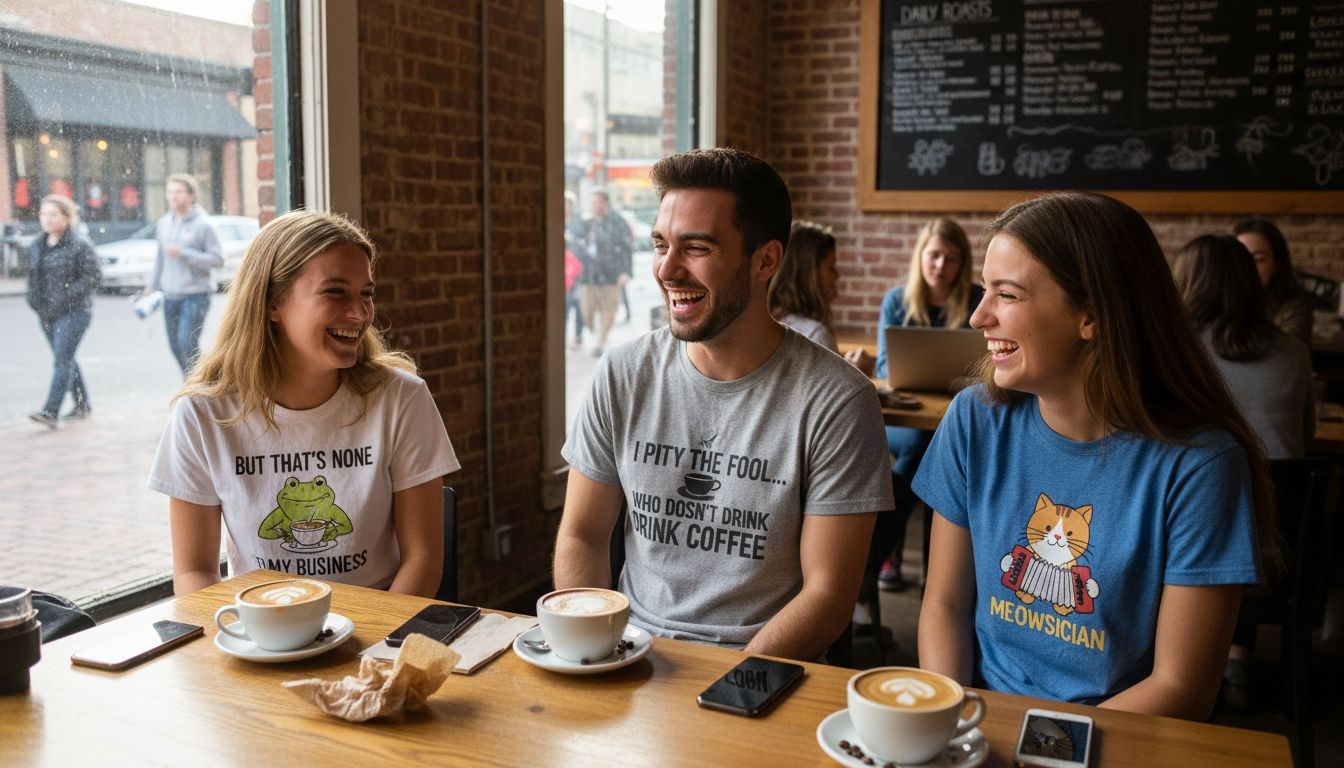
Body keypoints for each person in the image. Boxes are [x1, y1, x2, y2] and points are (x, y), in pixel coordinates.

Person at [915, 192, 1271, 720]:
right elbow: (945, 605)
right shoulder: (974, 418)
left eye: (1006, 294)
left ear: (1091, 314)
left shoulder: (1200, 464)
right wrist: (948, 723)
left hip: (1116, 737)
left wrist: (1038, 748)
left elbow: (1183, 688)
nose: (977, 317)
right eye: (984, 291)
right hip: (979, 721)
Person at [554, 148, 893, 662]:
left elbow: (828, 596)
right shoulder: (623, 373)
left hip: (764, 665)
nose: (667, 269)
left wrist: (734, 683)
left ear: (766, 260)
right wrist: (591, 647)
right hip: (630, 651)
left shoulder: (838, 400)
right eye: (660, 244)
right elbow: (582, 533)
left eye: (696, 247)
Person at [147, 210, 460, 597]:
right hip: (260, 626)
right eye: (335, 292)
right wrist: (241, 637)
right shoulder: (201, 414)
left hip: (375, 630)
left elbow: (423, 560)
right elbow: (194, 572)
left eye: (366, 294)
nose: (360, 313)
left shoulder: (401, 398)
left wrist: (372, 648)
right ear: (272, 303)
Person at [1173, 233, 1315, 711]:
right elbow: (1306, 436)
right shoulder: (1295, 352)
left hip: (1191, 558)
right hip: (1281, 554)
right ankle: (1236, 654)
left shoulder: (1174, 357)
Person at [871, 218, 985, 592]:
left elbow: (983, 367)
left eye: (951, 259)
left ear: (962, 263)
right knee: (922, 445)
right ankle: (931, 567)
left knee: (930, 447)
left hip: (955, 416)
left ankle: (883, 552)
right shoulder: (897, 300)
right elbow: (887, 367)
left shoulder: (975, 300)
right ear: (921, 256)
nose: (940, 266)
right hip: (907, 420)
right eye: (934, 255)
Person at [1174, 234, 1315, 460]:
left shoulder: (1174, 351)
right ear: (1250, 281)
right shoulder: (1296, 350)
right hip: (1285, 491)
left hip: (1206, 489)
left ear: (1186, 282)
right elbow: (1306, 437)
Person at [25, 194, 100, 428]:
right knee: (65, 358)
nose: (47, 219)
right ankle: (82, 404)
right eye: (44, 214)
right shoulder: (37, 245)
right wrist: (35, 302)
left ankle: (50, 411)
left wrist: (65, 297)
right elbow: (33, 278)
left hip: (75, 312)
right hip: (47, 313)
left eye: (53, 214)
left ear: (67, 218)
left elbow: (93, 277)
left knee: (62, 359)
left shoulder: (80, 244)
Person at [149, 173, 223, 374]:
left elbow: (217, 260)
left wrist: (184, 253)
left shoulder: (204, 225)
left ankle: (197, 389)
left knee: (187, 344)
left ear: (191, 195)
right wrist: (152, 286)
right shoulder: (164, 223)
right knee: (175, 347)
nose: (173, 196)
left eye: (179, 192)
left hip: (196, 295)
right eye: (170, 192)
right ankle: (198, 384)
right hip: (170, 295)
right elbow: (160, 257)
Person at [1234, 218, 1313, 344]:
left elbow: (1288, 352)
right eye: (1240, 258)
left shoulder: (1293, 307)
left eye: (1258, 259)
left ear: (1277, 264)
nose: (1248, 266)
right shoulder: (1220, 301)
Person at [768, 220, 842, 352]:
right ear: (810, 274)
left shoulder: (766, 325)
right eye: (831, 267)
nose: (837, 275)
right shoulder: (816, 335)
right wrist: (853, 371)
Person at [574, 190, 632, 356]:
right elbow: (576, 247)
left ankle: (599, 342)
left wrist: (625, 272)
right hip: (588, 276)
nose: (595, 206)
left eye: (598, 202)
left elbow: (626, 248)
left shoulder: (617, 222)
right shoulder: (585, 224)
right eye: (593, 202)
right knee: (586, 312)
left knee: (609, 311)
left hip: (611, 274)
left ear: (606, 203)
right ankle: (595, 332)